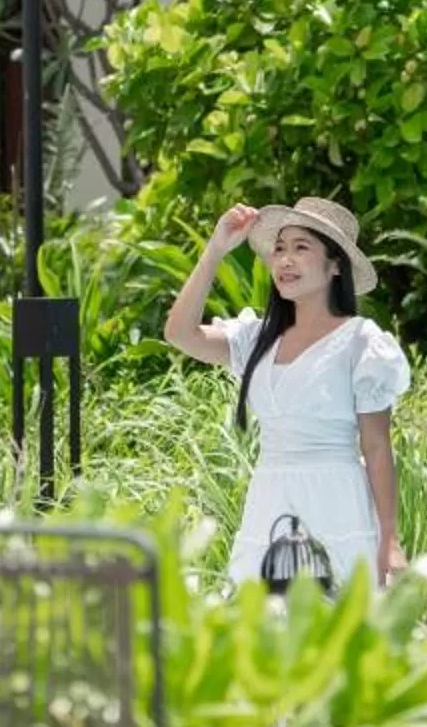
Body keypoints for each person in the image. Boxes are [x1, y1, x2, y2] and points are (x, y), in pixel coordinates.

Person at [163, 196, 411, 591]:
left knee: (340, 628)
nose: (285, 260)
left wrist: (390, 539)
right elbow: (179, 334)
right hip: (270, 497)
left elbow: (377, 446)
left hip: (337, 499)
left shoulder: (361, 343)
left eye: (301, 248)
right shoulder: (256, 339)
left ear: (334, 266)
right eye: (279, 249)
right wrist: (215, 251)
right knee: (259, 628)